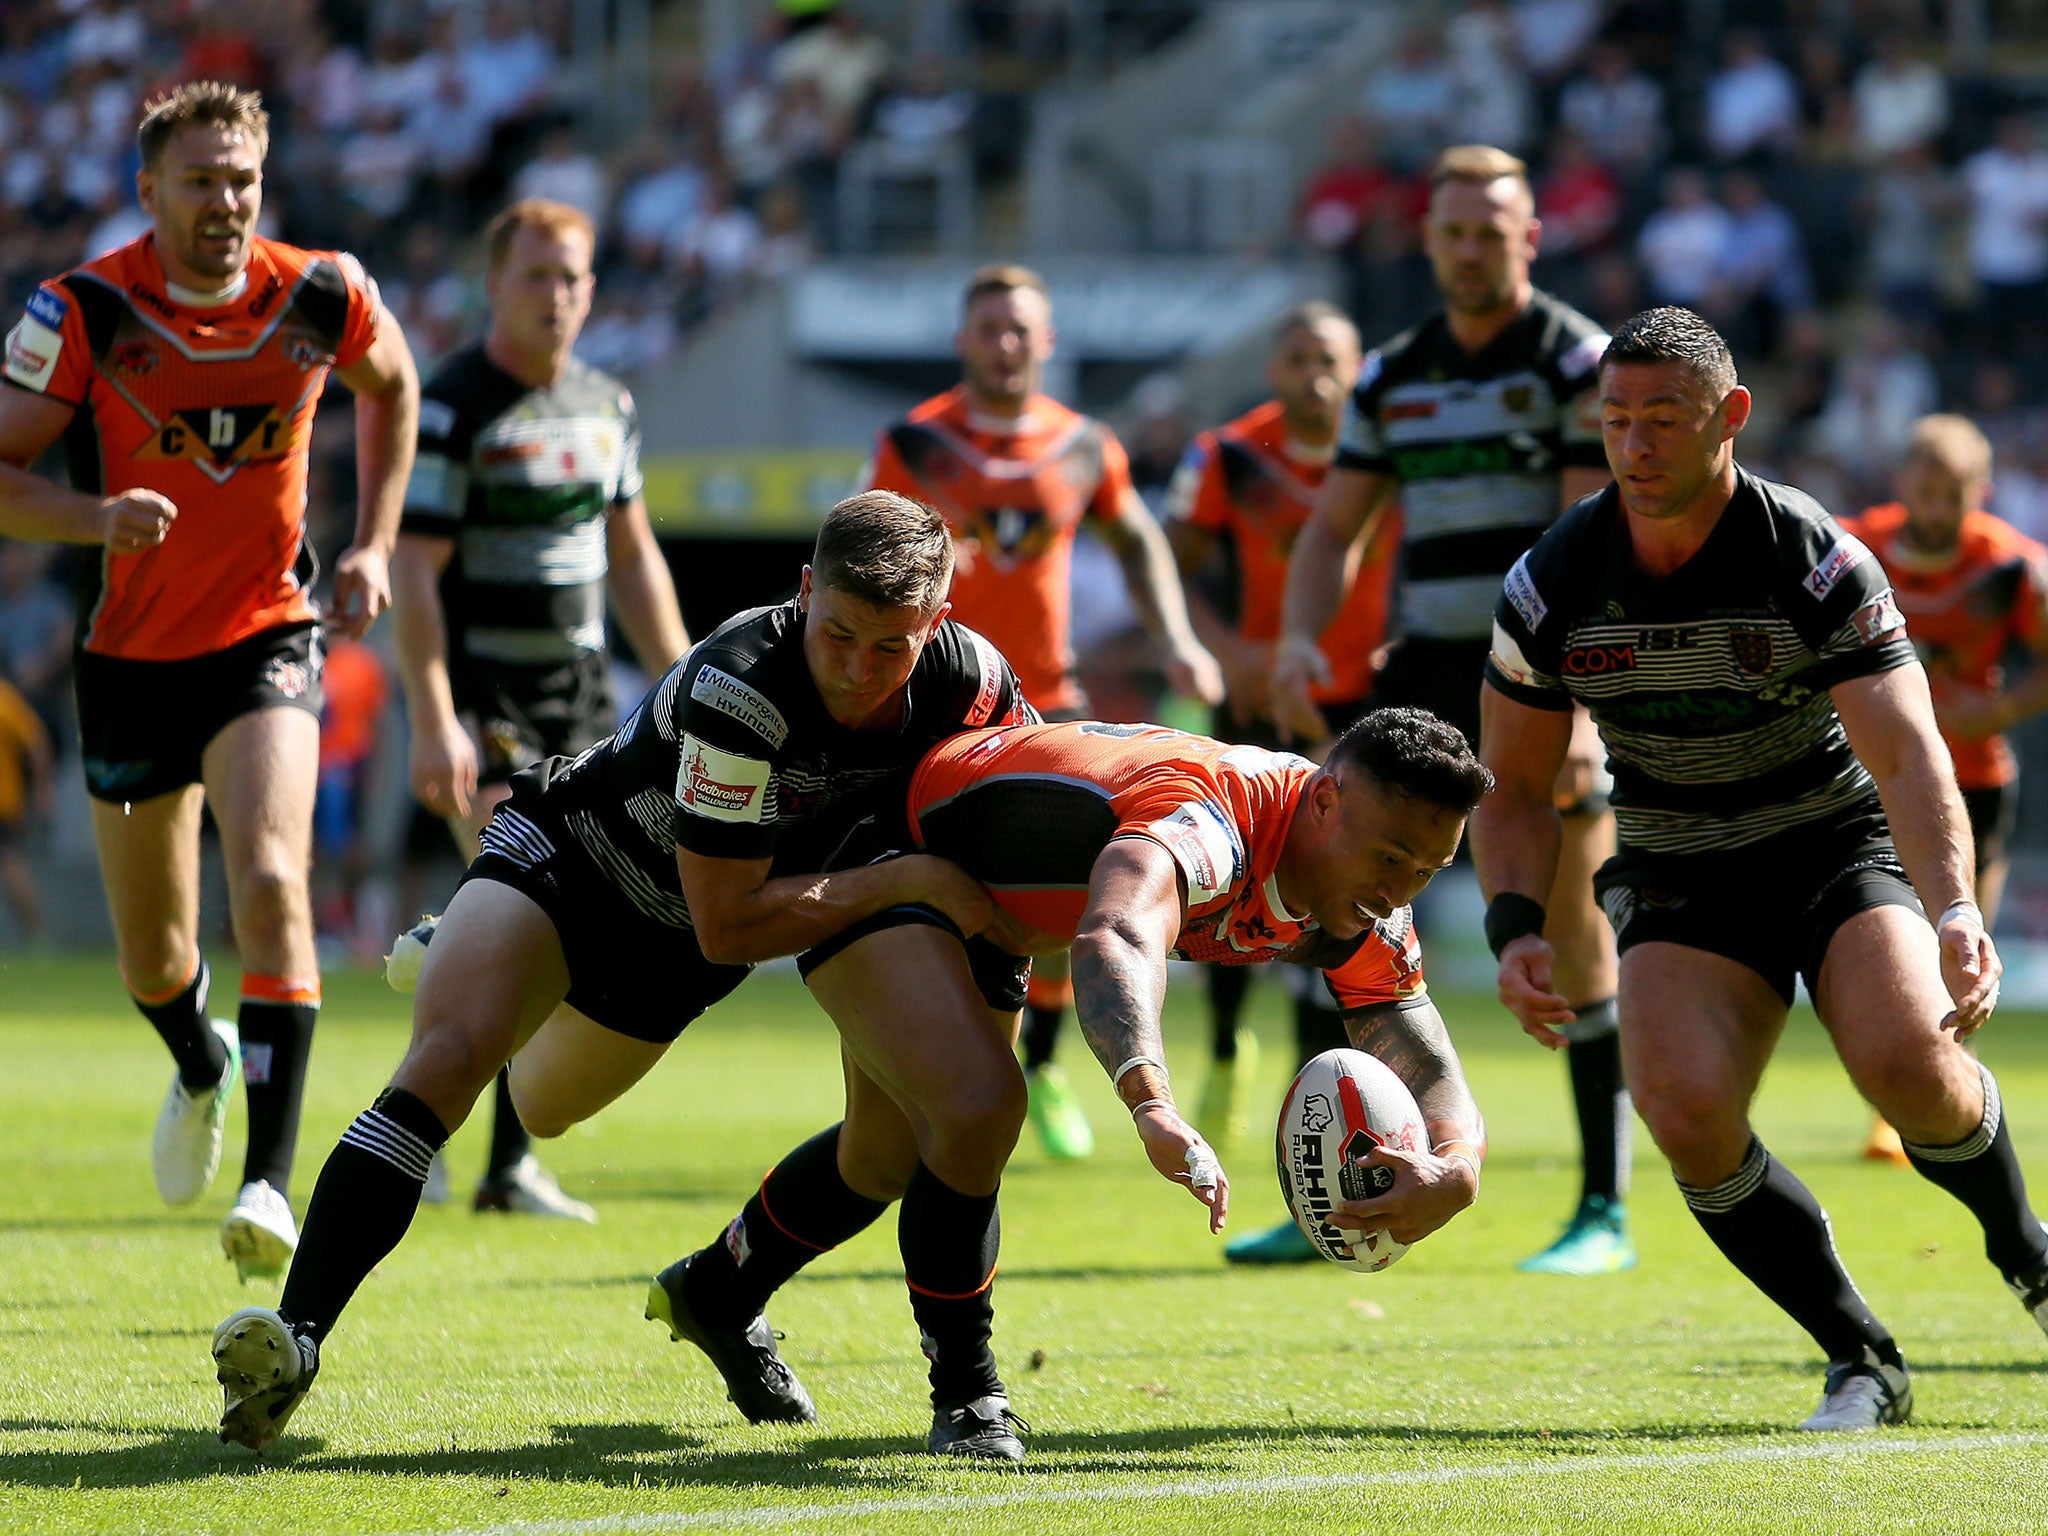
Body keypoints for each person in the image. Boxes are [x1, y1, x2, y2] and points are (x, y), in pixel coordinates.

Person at [208, 490, 1035, 1455]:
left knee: (553, 1105)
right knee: (452, 1055)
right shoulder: (746, 684)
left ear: (936, 624)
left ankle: (713, 1279)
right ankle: (297, 1337)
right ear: (805, 590)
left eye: (888, 648)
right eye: (837, 633)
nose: (856, 671)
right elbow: (733, 927)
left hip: (679, 953)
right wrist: (908, 878)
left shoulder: (975, 685)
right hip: (578, 862)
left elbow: (1012, 830)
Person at [1477, 305, 2046, 1431]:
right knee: (1683, 1113)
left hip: (1832, 847)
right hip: (1681, 868)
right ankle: (1859, 1357)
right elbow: (1512, 783)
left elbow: (1905, 750)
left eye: (1665, 421)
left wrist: (1950, 910)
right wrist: (1514, 926)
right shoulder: (1551, 582)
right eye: (1616, 421)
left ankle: (2026, 1253)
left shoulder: (1813, 556)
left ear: (1728, 417)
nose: (1636, 447)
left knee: (1904, 1065)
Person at [650, 707, 1492, 1461]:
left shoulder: (1366, 897)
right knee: (979, 1107)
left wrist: (1458, 1164)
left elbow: (1415, 1043)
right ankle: (970, 1397)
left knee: (885, 1154)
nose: (1398, 891)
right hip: (891, 852)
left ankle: (715, 1292)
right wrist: (1150, 1100)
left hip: (988, 910)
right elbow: (1117, 935)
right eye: (1389, 857)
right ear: (1324, 800)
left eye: (1425, 870)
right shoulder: (1215, 818)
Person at [0, 81, 418, 1278]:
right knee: (153, 957)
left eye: (241, 178)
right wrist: (93, 517)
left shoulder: (321, 291)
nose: (225, 202)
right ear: (149, 191)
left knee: (276, 877)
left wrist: (375, 541)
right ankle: (200, 1060)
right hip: (128, 660)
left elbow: (395, 388)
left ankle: (271, 1188)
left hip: (265, 635)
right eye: (199, 180)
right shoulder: (82, 309)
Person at [1272, 143, 1633, 1276]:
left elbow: (1583, 545)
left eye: (1493, 230)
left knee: (1569, 930)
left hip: (1540, 676)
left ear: (1530, 237)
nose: (1471, 249)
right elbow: (1334, 527)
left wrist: (1572, 710)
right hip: (1422, 678)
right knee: (1323, 908)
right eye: (1453, 231)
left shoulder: (1575, 361)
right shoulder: (1389, 375)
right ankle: (1322, 1181)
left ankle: (1599, 1209)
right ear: (1426, 241)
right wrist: (1294, 632)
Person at [859, 262, 1222, 1164]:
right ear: (963, 340)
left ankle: (1046, 1066)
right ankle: (921, 1074)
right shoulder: (915, 442)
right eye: (990, 328)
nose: (1006, 344)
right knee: (938, 895)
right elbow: (867, 547)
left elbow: (1136, 534)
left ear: (1047, 341)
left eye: (1021, 329)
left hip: (1047, 703)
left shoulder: (1084, 445)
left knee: (1067, 893)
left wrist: (1176, 636)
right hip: (938, 703)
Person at [389, 197, 692, 1221]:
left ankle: (496, 1163)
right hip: (489, 700)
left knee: (547, 927)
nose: (553, 296)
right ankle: (431, 1135)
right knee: (526, 915)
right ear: (495, 283)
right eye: (534, 276)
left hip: (584, 701)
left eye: (570, 278)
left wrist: (693, 680)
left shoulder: (606, 405)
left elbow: (632, 553)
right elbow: (415, 571)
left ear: (592, 289)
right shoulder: (452, 405)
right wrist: (435, 714)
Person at [1161, 302, 1399, 1257]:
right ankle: (1223, 1050)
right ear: (1275, 364)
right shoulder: (1228, 456)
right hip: (1257, 704)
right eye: (1297, 358)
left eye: (1330, 358)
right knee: (1230, 884)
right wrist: (1230, 655)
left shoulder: (1382, 462)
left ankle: (1320, 1096)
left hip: (1362, 706)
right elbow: (1178, 575)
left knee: (1334, 900)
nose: (1314, 376)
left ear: (1357, 367)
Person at [1842, 414, 2048, 1164]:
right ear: (1903, 484)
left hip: (1974, 781)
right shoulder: (1849, 543)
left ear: (1980, 491)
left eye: (1953, 493)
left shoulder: (2010, 566)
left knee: (1959, 948)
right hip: (1876, 777)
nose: (1936, 507)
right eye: (1926, 490)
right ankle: (1899, 1108)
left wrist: (1997, 709)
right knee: (1885, 942)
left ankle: (1937, 1102)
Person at [0, 670, 53, 939]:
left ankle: (35, 931)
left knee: (10, 864)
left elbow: (37, 743)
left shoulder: (4, 699)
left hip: (3, 803)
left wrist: (42, 788)